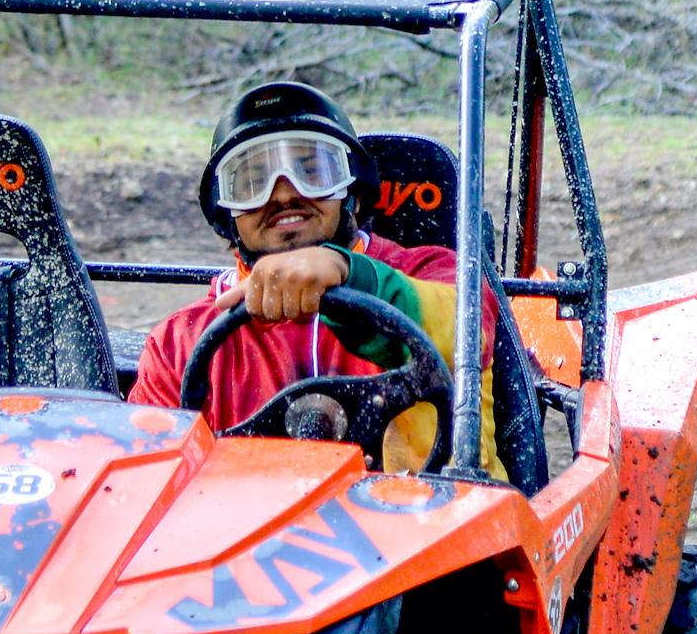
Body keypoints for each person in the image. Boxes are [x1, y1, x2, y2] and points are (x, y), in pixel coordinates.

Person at [130, 81, 458, 456]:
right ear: (226, 213)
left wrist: (350, 274)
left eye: (312, 172)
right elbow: (149, 471)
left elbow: (466, 335)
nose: (285, 194)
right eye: (253, 182)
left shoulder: (435, 273)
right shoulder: (179, 344)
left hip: (414, 494)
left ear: (352, 191)